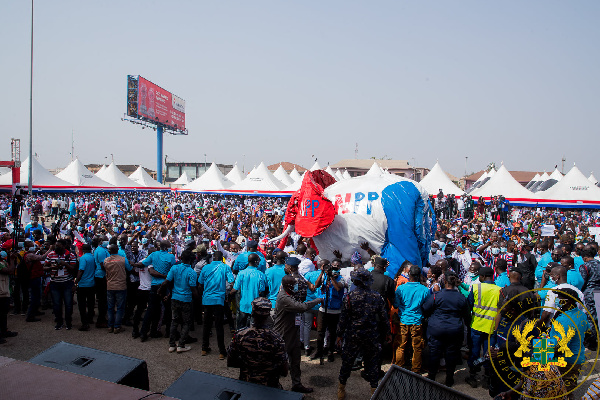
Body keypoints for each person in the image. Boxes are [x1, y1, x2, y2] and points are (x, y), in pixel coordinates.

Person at [336, 268, 390, 399]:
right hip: (371, 335)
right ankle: (374, 391)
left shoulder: (350, 296)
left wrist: (339, 335)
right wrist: (387, 333)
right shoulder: (377, 296)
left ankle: (341, 390)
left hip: (353, 334)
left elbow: (343, 318)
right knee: (372, 365)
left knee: (347, 363)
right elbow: (383, 317)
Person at [273, 274, 322, 393]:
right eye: (294, 285)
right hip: (283, 334)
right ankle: (273, 385)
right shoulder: (284, 298)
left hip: (293, 333)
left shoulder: (290, 294)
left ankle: (296, 384)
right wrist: (318, 300)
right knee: (279, 363)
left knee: (295, 361)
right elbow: (301, 307)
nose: (296, 286)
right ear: (288, 286)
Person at [227, 297, 288, 388]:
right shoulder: (276, 338)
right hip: (270, 386)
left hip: (246, 384)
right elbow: (284, 370)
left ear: (252, 313)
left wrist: (249, 365)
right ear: (268, 316)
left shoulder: (240, 335)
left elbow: (231, 361)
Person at [423, 271, 469, 387]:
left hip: (436, 329)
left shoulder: (436, 296)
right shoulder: (461, 297)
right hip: (454, 330)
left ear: (444, 282)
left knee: (434, 353)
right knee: (451, 354)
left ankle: (432, 377)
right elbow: (467, 316)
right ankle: (449, 379)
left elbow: (425, 308)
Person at [549, 288, 589, 398]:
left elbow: (559, 347)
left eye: (560, 298)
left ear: (569, 301)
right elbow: (586, 332)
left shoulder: (565, 320)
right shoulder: (581, 314)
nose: (557, 300)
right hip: (577, 357)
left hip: (566, 362)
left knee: (563, 392)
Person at [465, 266, 501, 388]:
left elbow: (469, 304)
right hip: (491, 328)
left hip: (476, 325)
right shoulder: (499, 290)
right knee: (488, 354)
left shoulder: (476, 287)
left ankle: (473, 376)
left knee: (475, 352)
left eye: (480, 276)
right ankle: (487, 378)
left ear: (484, 277)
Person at [136, 240, 176, 341]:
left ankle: (144, 333)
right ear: (166, 248)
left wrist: (133, 264)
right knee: (168, 309)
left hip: (154, 285)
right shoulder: (171, 257)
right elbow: (173, 271)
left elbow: (142, 264)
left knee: (150, 310)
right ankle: (168, 332)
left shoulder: (153, 254)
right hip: (165, 285)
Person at [198, 250, 235, 358]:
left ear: (213, 258)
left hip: (207, 299)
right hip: (219, 299)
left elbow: (200, 283)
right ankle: (222, 351)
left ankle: (204, 348)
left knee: (207, 324)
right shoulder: (225, 267)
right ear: (222, 258)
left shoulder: (205, 267)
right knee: (219, 325)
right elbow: (231, 281)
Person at [393, 264, 429, 373]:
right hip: (417, 321)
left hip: (403, 320)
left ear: (409, 274)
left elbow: (395, 305)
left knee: (401, 346)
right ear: (419, 275)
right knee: (417, 347)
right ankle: (416, 370)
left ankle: (399, 368)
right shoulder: (424, 290)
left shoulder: (401, 288)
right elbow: (426, 306)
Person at [161, 249, 198, 353]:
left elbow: (166, 282)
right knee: (186, 323)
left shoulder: (174, 268)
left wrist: (160, 291)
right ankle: (181, 345)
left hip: (175, 299)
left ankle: (172, 344)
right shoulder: (192, 272)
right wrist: (198, 299)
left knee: (174, 321)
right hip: (186, 299)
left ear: (181, 258)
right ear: (191, 260)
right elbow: (193, 289)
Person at [311, 258, 347, 363]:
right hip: (323, 309)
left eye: (337, 267)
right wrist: (322, 272)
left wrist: (331, 277)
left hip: (335, 311)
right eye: (333, 267)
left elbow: (338, 288)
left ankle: (331, 351)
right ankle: (319, 350)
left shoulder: (341, 279)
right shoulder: (325, 277)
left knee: (332, 332)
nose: (335, 269)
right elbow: (316, 285)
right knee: (320, 332)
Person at [44, 239, 77, 330]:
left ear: (63, 245)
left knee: (68, 304)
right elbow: (44, 267)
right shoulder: (51, 254)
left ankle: (68, 322)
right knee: (57, 304)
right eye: (56, 245)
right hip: (55, 282)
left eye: (58, 245)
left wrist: (64, 264)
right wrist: (51, 267)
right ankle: (59, 322)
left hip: (67, 282)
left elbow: (73, 268)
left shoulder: (70, 255)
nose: (56, 247)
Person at [230, 253, 266, 329]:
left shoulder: (241, 273)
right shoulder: (260, 274)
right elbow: (261, 291)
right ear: (256, 262)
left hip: (243, 305)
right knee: (252, 329)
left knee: (241, 328)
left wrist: (229, 295)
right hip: (255, 306)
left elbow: (235, 289)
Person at [102, 244, 132, 333]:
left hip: (110, 285)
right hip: (121, 285)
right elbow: (130, 268)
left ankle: (110, 326)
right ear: (118, 249)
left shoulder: (106, 260)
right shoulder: (123, 259)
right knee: (120, 307)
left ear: (109, 251)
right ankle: (117, 326)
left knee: (110, 307)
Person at [579, 245, 600, 350]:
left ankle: (591, 342)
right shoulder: (599, 263)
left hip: (589, 293)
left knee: (591, 318)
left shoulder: (585, 266)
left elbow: (583, 281)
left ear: (585, 258)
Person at [74, 244, 96, 331]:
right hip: (91, 283)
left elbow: (81, 271)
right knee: (91, 303)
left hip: (83, 284)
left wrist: (76, 282)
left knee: (82, 305)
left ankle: (84, 323)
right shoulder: (93, 257)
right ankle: (90, 319)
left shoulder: (83, 258)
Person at [0, 250, 17, 343]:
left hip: (4, 291)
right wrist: (12, 260)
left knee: (3, 313)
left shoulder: (2, 263)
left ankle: (4, 331)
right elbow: (10, 271)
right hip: (1, 292)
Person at [93, 236, 110, 328]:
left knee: (103, 299)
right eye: (105, 240)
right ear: (100, 241)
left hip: (102, 275)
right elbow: (103, 265)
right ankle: (101, 320)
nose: (107, 241)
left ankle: (102, 318)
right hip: (101, 276)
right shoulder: (100, 251)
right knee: (102, 299)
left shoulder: (102, 249)